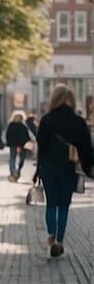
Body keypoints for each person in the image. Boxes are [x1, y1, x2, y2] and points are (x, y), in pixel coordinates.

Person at [34, 84, 94, 258]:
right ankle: (60, 241)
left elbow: (41, 146)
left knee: (51, 203)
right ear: (72, 100)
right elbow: (86, 149)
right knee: (64, 205)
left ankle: (51, 237)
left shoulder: (46, 120)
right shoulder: (78, 121)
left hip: (48, 167)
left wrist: (38, 170)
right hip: (68, 168)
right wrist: (89, 168)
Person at [5, 111, 31, 182]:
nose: (18, 119)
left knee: (14, 158)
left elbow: (8, 135)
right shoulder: (19, 126)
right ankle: (14, 172)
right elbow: (27, 136)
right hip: (18, 145)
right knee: (15, 158)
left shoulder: (20, 126)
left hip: (17, 145)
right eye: (17, 117)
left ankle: (15, 172)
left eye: (19, 117)